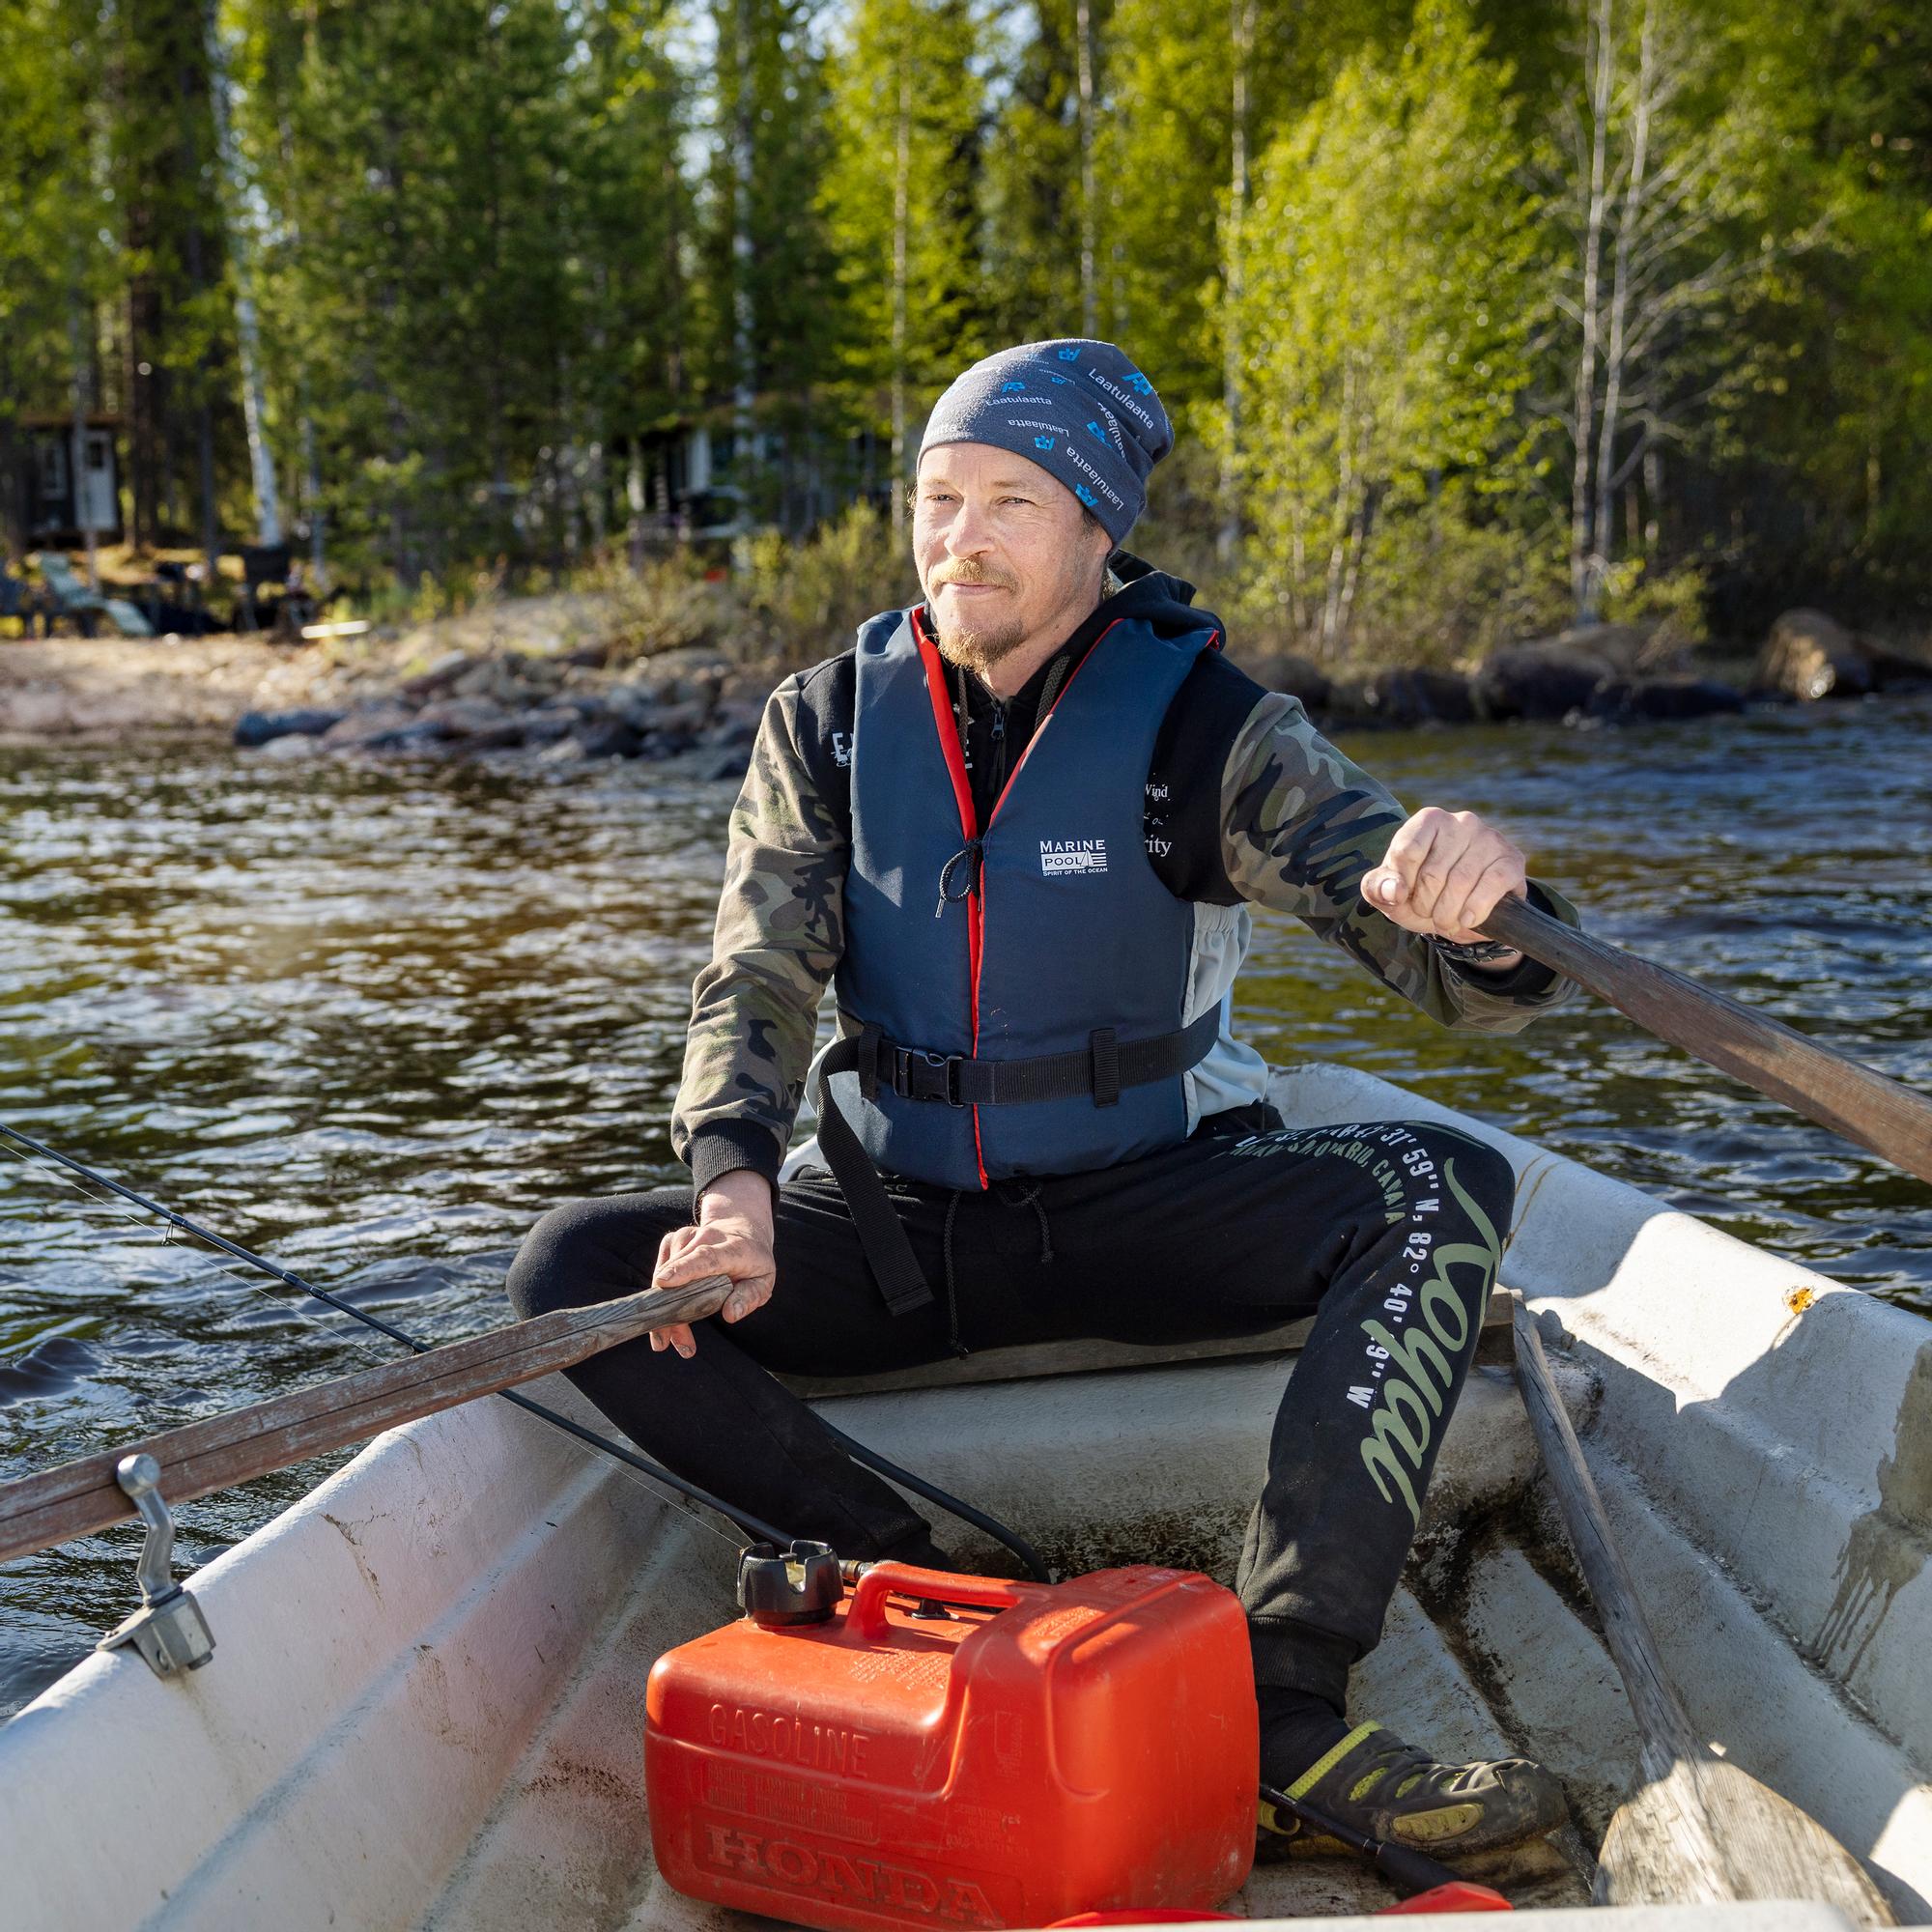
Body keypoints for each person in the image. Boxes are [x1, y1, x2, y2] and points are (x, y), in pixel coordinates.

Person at [508, 339, 1584, 1861]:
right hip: (899, 1233)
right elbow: (754, 974)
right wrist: (734, 1185)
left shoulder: (1209, 731)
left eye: (1010, 500)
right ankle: (911, 1577)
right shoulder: (823, 723)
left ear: (1095, 527)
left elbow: (1453, 976)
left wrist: (1477, 897)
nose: (961, 536)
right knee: (573, 1266)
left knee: (1438, 1183)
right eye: (938, 497)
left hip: (1139, 1212)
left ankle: (1283, 1707)